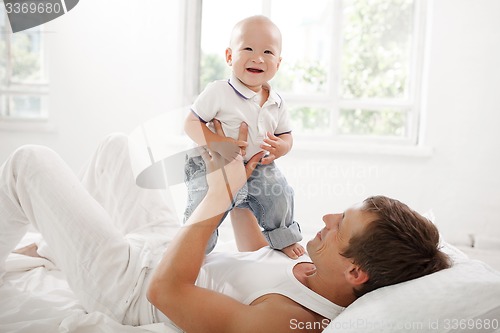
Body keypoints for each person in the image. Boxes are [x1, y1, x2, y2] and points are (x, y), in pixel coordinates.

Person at [0, 124, 451, 332]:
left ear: (357, 273)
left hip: (131, 287)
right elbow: (246, 252)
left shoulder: (293, 323)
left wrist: (216, 199)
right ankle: (56, 242)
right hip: (163, 245)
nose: (327, 219)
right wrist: (244, 179)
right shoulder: (313, 266)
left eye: (341, 227)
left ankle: (57, 244)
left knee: (29, 164)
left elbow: (166, 293)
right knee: (116, 146)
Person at [184, 15, 304, 259]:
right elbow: (190, 123)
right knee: (204, 206)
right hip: (211, 165)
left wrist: (281, 147)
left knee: (280, 193)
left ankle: (283, 236)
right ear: (229, 56)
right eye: (247, 48)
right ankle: (196, 248)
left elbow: (286, 135)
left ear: (278, 63)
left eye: (268, 52)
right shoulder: (219, 91)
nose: (257, 58)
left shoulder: (276, 101)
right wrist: (218, 142)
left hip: (258, 165)